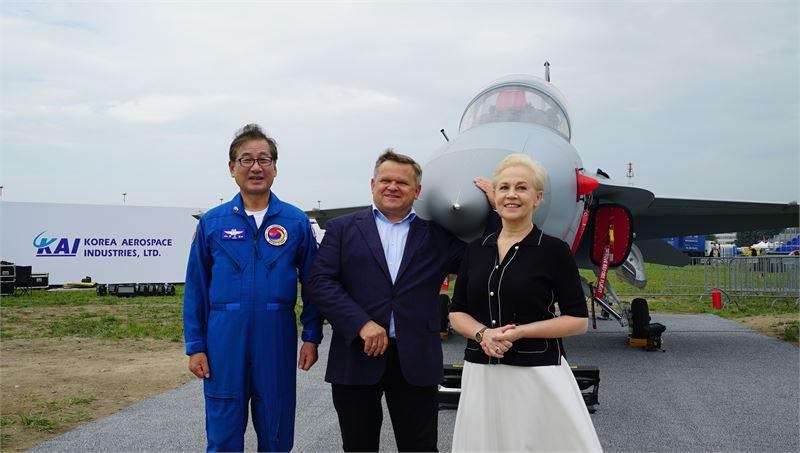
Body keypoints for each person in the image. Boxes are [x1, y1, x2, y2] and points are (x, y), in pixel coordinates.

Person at [308, 149, 491, 452]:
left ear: (417, 191)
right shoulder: (342, 229)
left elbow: (483, 258)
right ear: (373, 184)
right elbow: (320, 282)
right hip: (356, 355)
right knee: (358, 446)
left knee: (420, 446)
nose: (393, 187)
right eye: (386, 180)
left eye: (403, 183)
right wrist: (361, 323)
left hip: (416, 360)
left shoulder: (437, 236)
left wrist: (495, 209)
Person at [448, 153, 602, 452]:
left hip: (537, 373)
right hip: (481, 373)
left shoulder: (554, 250)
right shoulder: (476, 250)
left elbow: (577, 321)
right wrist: (483, 334)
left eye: (521, 188)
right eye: (504, 188)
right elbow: (457, 312)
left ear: (537, 197)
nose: (511, 195)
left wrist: (519, 332)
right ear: (495, 196)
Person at [183, 124, 323, 452]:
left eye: (264, 159)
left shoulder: (295, 222)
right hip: (223, 338)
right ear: (232, 167)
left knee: (276, 427)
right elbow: (196, 288)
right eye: (246, 160)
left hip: (276, 336)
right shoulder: (213, 223)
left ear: (275, 167)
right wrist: (196, 345)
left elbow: (314, 285)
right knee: (223, 430)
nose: (256, 167)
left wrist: (311, 336)